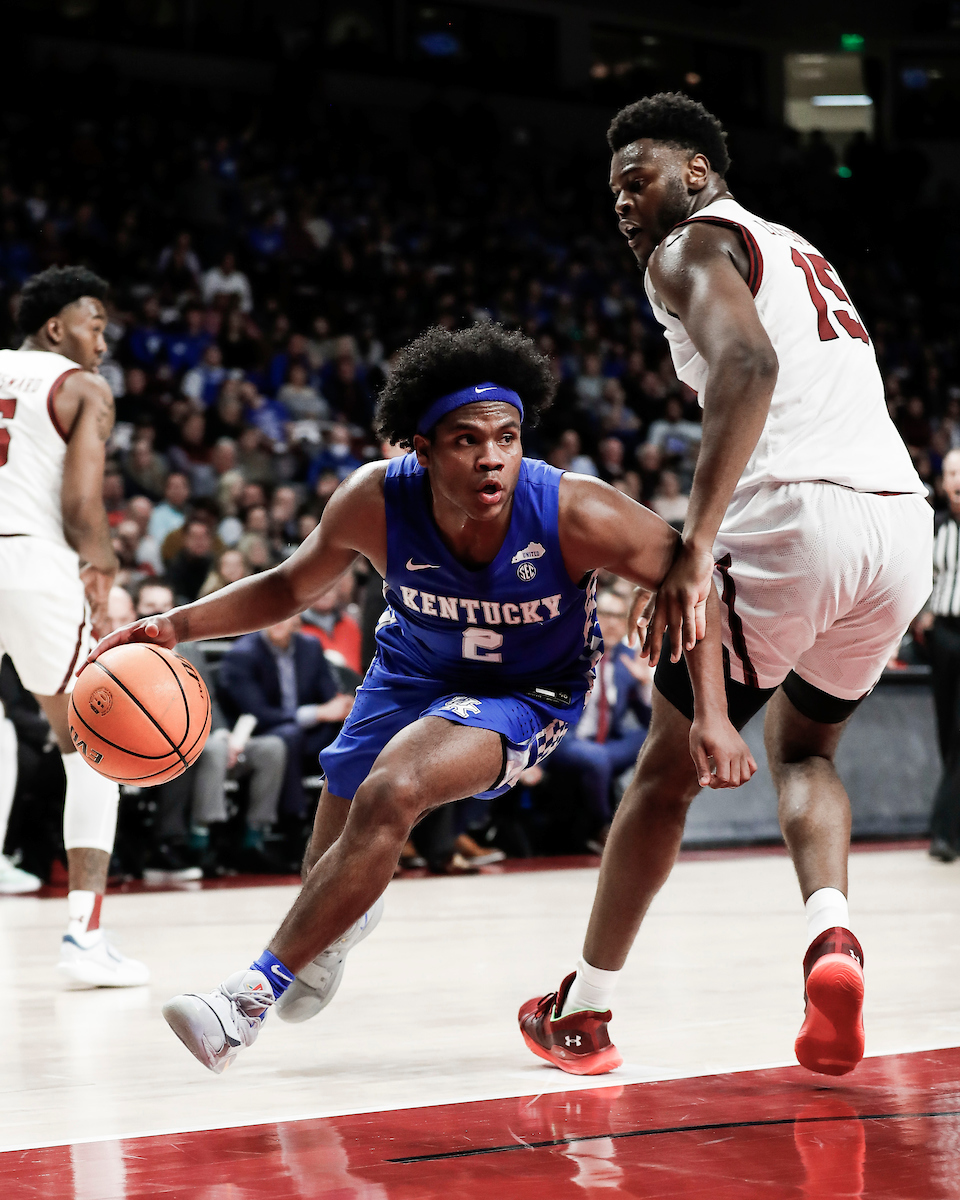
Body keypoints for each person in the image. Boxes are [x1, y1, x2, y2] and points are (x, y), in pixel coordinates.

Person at [89, 322, 750, 1073]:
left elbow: (694, 582)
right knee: (330, 861)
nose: (492, 455)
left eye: (507, 435)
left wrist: (714, 715)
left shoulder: (575, 511)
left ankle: (241, 1004)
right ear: (420, 447)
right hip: (409, 669)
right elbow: (287, 586)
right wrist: (173, 625)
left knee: (393, 790)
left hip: (526, 691)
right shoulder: (375, 498)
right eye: (467, 439)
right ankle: (345, 914)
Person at [520, 93, 932, 1080]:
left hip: (800, 516)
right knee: (806, 751)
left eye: (640, 180)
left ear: (697, 174)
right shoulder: (793, 248)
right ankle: (831, 937)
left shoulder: (689, 248)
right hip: (900, 526)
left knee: (662, 781)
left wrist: (698, 539)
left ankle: (586, 1007)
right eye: (613, 191)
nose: (625, 204)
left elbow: (748, 361)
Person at [0, 265, 148, 986]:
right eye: (94, 325)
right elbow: (82, 503)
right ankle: (84, 936)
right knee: (91, 743)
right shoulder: (81, 387)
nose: (102, 342)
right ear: (56, 326)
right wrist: (103, 565)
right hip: (32, 564)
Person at [216, 614, 354, 822]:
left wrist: (341, 706)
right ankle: (294, 818)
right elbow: (258, 713)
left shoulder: (311, 646)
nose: (277, 620)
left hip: (308, 733)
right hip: (259, 732)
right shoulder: (242, 654)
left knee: (350, 732)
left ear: (297, 618)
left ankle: (349, 815)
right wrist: (317, 713)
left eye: (285, 614)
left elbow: (331, 696)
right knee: (290, 735)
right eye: (271, 614)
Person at [546, 587, 652, 853]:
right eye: (606, 614)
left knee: (653, 740)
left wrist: (645, 687)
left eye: (620, 616)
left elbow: (649, 720)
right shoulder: (569, 655)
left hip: (604, 744)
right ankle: (604, 829)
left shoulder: (628, 660)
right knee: (597, 760)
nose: (614, 623)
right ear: (591, 616)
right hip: (565, 741)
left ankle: (649, 820)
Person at [915, 447, 960, 862]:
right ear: (944, 481)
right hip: (944, 636)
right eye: (951, 473)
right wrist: (921, 618)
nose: (957, 480)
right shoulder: (936, 527)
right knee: (947, 732)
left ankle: (943, 831)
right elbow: (917, 578)